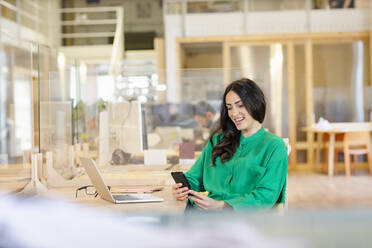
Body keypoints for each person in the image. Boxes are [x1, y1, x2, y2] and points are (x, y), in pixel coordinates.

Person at [172, 78, 288, 211]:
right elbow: (194, 177)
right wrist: (182, 188)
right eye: (229, 107)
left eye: (240, 105)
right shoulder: (217, 141)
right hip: (205, 215)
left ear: (255, 104)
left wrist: (222, 206)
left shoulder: (274, 146)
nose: (234, 113)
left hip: (246, 220)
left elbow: (265, 197)